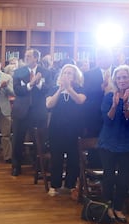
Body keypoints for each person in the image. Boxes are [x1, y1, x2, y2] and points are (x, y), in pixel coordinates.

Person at [98, 65, 129, 223]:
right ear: (115, 80)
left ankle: (118, 207)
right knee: (109, 176)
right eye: (118, 78)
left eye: (125, 77)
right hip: (108, 140)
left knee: (124, 178)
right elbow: (106, 120)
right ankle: (108, 206)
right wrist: (114, 104)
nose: (122, 80)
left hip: (127, 142)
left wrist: (125, 105)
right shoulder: (109, 95)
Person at [45, 64, 86, 196]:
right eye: (65, 73)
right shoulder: (53, 89)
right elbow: (49, 104)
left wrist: (69, 89)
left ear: (75, 77)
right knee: (56, 158)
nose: (67, 76)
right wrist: (60, 90)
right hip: (56, 130)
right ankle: (54, 185)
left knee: (73, 158)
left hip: (74, 130)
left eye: (70, 74)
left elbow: (80, 101)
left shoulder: (80, 89)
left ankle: (70, 185)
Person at [11, 48, 51, 176]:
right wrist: (30, 84)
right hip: (21, 111)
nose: (26, 58)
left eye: (29, 56)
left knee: (39, 141)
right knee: (17, 140)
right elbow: (17, 90)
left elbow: (49, 89)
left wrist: (38, 84)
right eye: (25, 56)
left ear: (36, 58)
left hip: (38, 112)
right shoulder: (18, 72)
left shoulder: (46, 72)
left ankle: (38, 167)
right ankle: (16, 166)